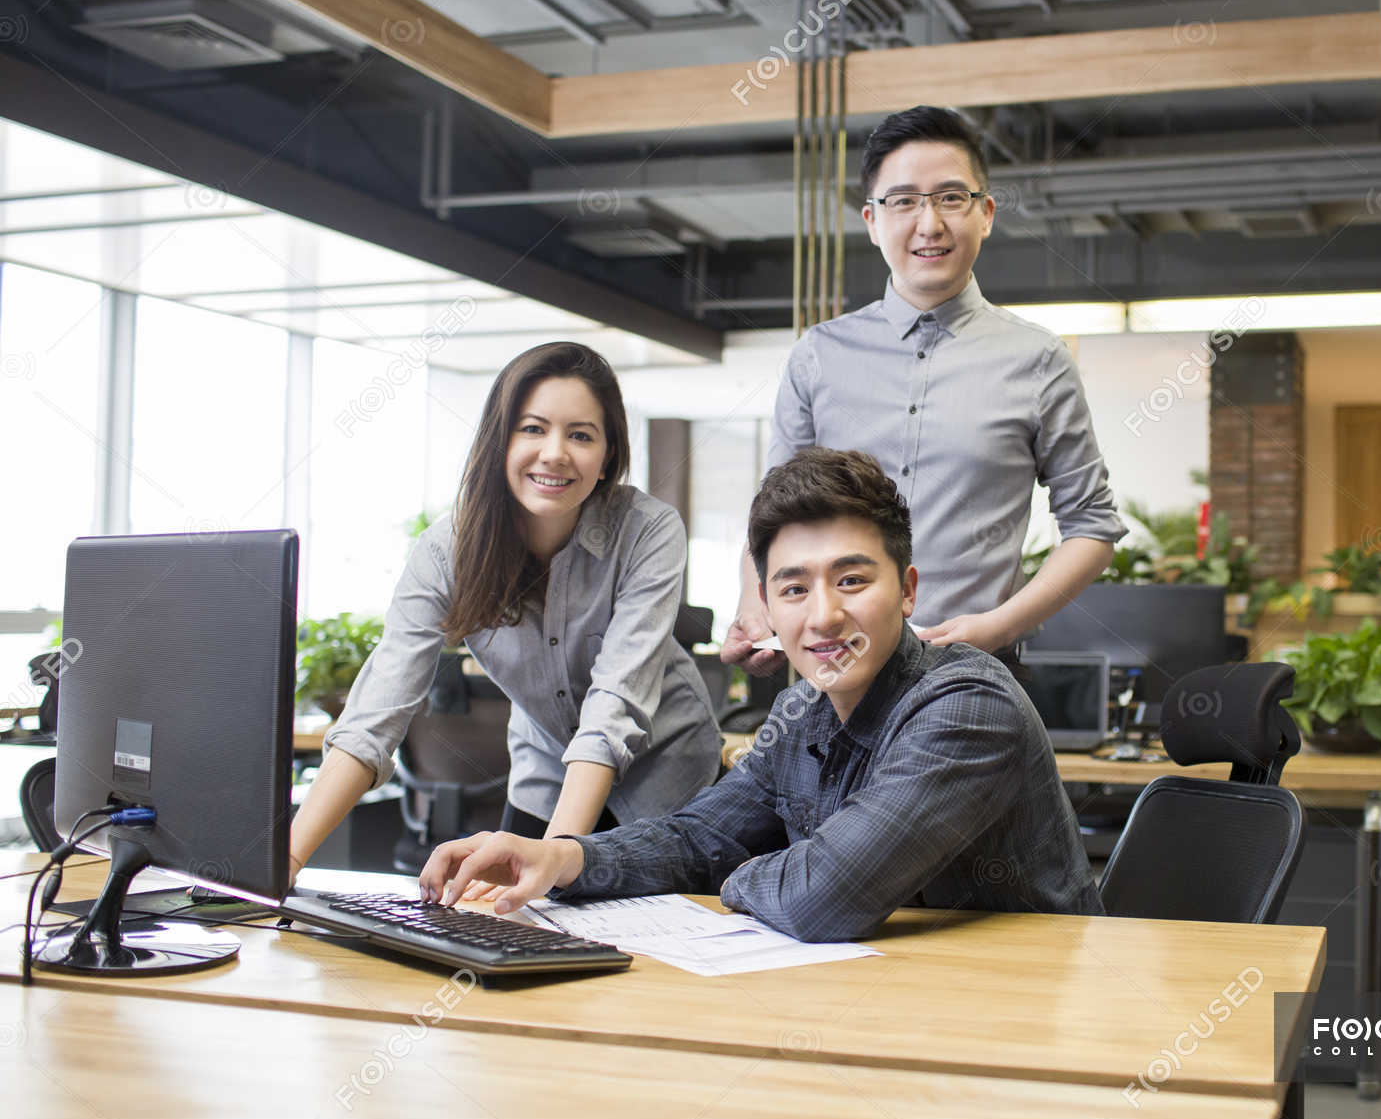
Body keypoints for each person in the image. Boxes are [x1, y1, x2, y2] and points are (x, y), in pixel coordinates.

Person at [418, 448, 1103, 941]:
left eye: (853, 581)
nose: (824, 616)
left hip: (1028, 1016)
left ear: (910, 590)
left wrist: (740, 872)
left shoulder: (965, 707)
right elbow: (700, 837)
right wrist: (562, 857)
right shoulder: (801, 712)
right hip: (891, 1006)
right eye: (795, 588)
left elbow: (822, 899)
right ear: (770, 605)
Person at [288, 341, 719, 886]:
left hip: (668, 775)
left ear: (607, 454)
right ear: (500, 439)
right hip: (545, 773)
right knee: (512, 931)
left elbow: (613, 708)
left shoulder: (647, 531)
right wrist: (290, 860)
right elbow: (374, 716)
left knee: (644, 948)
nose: (555, 453)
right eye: (533, 428)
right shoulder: (448, 551)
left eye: (581, 435)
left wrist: (558, 860)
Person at [722, 105, 1124, 678]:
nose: (929, 223)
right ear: (871, 219)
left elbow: (1093, 525)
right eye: (904, 200)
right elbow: (774, 518)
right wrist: (753, 604)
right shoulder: (819, 355)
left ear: (985, 214)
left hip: (973, 673)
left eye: (951, 198)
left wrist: (1000, 626)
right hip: (835, 674)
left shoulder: (1038, 359)